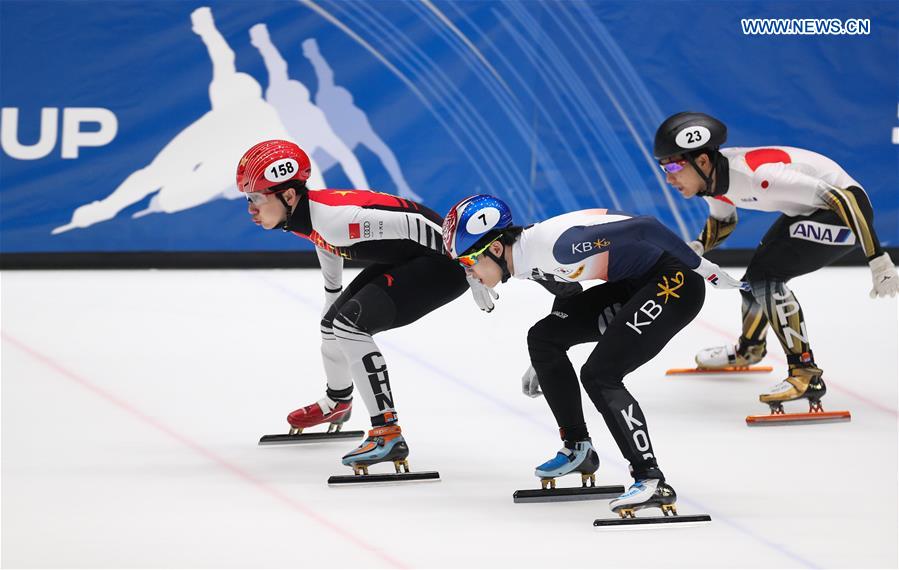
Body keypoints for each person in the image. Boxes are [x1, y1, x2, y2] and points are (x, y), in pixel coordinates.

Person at [442, 194, 743, 516]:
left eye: (468, 262)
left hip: (675, 281)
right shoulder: (524, 260)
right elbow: (568, 292)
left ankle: (651, 480)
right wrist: (548, 358)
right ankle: (578, 449)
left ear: (497, 249)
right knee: (543, 338)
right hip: (634, 283)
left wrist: (705, 268)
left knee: (601, 375)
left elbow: (646, 227)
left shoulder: (558, 246)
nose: (469, 273)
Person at [237, 139, 495, 474]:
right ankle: (338, 401)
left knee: (349, 325)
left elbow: (415, 223)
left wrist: (471, 265)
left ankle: (387, 433)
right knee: (333, 323)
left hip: (442, 264)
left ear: (287, 196)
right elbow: (323, 243)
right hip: (413, 256)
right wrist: (332, 293)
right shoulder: (306, 212)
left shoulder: (335, 218)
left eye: (256, 198)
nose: (250, 208)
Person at [653, 112, 898, 413]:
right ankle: (750, 350)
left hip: (846, 212)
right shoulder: (712, 181)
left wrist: (878, 260)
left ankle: (805, 373)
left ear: (702, 161)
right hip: (810, 211)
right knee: (753, 281)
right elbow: (723, 221)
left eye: (674, 166)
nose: (669, 178)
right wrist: (697, 247)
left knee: (766, 280)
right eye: (664, 168)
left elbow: (843, 199)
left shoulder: (760, 177)